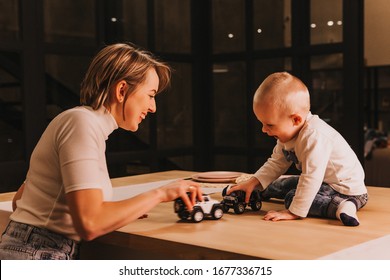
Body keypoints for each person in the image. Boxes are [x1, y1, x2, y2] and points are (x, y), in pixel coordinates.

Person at [0, 43, 202, 260]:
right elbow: (90, 223)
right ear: (122, 90)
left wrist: (123, 211)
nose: (153, 107)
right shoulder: (81, 124)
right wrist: (161, 193)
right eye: (150, 95)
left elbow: (20, 201)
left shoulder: (81, 122)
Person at [228, 72, 368, 227]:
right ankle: (254, 191)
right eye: (262, 123)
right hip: (323, 183)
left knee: (291, 198)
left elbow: (311, 177)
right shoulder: (287, 134)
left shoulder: (314, 136)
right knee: (284, 183)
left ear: (295, 120)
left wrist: (293, 212)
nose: (263, 129)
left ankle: (342, 206)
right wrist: (253, 182)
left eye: (269, 125)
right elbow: (276, 163)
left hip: (345, 190)